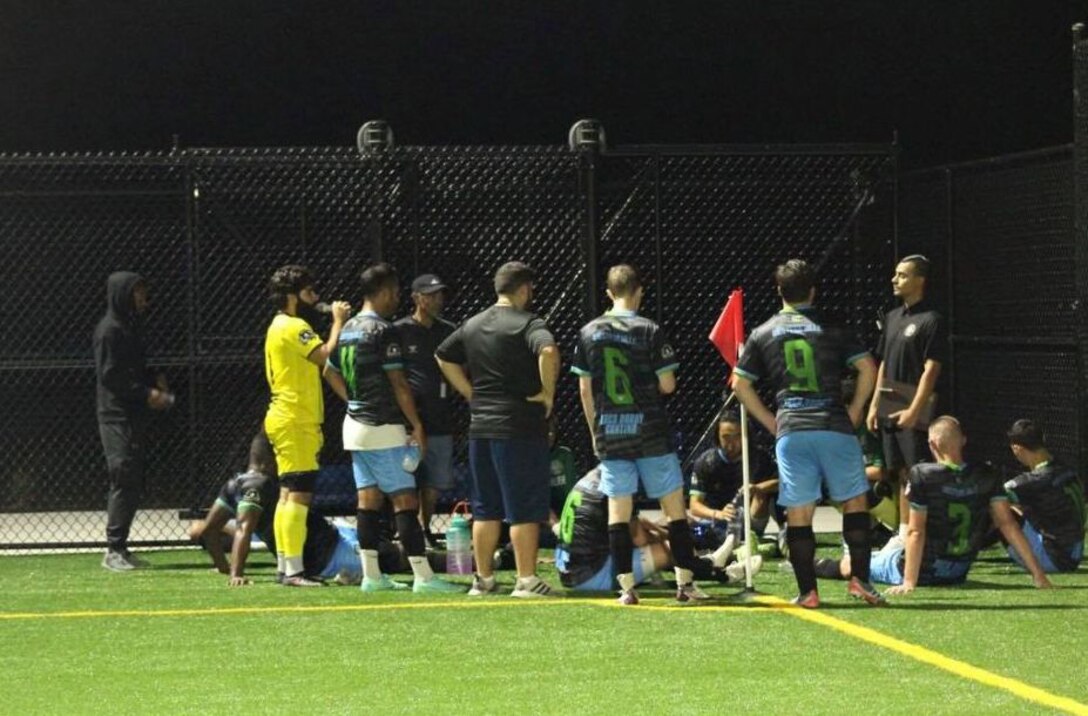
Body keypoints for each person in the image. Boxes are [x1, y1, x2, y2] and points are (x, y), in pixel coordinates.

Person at [732, 259, 884, 608]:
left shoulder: (764, 331)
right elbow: (866, 366)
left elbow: (740, 383)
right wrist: (857, 408)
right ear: (813, 291)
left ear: (779, 292)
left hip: (793, 430)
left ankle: (808, 592)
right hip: (833, 424)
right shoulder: (832, 327)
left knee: (800, 512)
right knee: (855, 502)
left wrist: (771, 421)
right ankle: (860, 581)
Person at [571, 264, 711, 605]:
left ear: (608, 293)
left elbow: (585, 390)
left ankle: (626, 590)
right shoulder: (649, 330)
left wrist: (595, 431)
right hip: (649, 431)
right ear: (639, 291)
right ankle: (685, 586)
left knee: (618, 511)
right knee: (674, 508)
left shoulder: (589, 332)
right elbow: (668, 384)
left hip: (612, 432)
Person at [325, 263, 461, 594]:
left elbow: (328, 370)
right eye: (396, 293)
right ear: (384, 292)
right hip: (384, 426)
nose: (397, 299)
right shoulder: (383, 330)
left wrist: (353, 400)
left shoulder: (348, 328)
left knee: (367, 501)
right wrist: (415, 424)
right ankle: (424, 578)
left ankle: (372, 576)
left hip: (354, 427)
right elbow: (399, 383)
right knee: (404, 501)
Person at [436, 261, 560, 598]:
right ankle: (526, 579)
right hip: (519, 427)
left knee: (485, 507)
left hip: (481, 428)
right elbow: (548, 350)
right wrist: (547, 393)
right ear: (523, 289)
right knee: (524, 507)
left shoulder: (473, 324)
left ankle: (484, 579)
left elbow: (444, 356)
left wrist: (469, 392)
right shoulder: (529, 323)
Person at [825, 416, 1053, 593]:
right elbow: (1008, 525)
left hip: (921, 571)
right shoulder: (986, 474)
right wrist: (1038, 575)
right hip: (957, 572)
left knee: (850, 564)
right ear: (963, 440)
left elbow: (916, 531)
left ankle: (810, 565)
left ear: (932, 444)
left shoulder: (924, 475)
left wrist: (909, 582)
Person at [263, 265, 351, 587]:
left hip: (286, 417)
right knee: (298, 495)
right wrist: (339, 321)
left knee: (288, 494)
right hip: (295, 419)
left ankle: (287, 567)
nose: (315, 299)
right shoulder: (294, 326)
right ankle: (294, 572)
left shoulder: (277, 325)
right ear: (291, 296)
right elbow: (326, 353)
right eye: (309, 292)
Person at [187, 431, 362, 586]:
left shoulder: (233, 484)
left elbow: (210, 531)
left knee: (380, 552)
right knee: (383, 559)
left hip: (335, 539)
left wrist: (223, 568)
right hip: (333, 554)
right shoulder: (259, 485)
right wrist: (235, 574)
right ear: (273, 459)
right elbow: (242, 530)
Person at [555, 468, 756, 593]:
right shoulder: (620, 483)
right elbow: (640, 539)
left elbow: (623, 524)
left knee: (662, 538)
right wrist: (668, 537)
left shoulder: (595, 477)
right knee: (668, 549)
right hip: (589, 577)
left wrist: (658, 529)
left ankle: (709, 561)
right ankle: (719, 572)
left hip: (568, 569)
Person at [94, 271, 174, 572]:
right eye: (137, 292)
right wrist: (146, 393)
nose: (143, 298)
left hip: (133, 413)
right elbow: (110, 375)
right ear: (123, 294)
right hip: (115, 414)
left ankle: (121, 547)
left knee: (133, 477)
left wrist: (157, 380)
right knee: (123, 473)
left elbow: (143, 363)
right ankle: (113, 549)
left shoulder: (132, 328)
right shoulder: (109, 330)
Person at [866, 255, 948, 546]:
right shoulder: (892, 317)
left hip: (915, 401)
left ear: (919, 280)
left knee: (918, 472)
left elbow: (932, 369)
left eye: (902, 275)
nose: (894, 279)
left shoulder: (932, 320)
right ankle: (903, 533)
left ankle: (927, 534)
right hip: (891, 399)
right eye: (895, 273)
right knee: (898, 471)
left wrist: (916, 409)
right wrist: (875, 404)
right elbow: (885, 364)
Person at [394, 273, 458, 548]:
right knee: (404, 478)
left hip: (439, 417)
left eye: (439, 294)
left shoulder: (448, 331)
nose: (437, 299)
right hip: (407, 421)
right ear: (417, 298)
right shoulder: (399, 330)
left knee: (432, 483)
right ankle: (403, 533)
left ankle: (423, 532)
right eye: (431, 294)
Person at [687, 411, 779, 551]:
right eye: (726, 437)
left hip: (750, 519)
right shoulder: (706, 462)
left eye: (737, 436)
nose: (732, 443)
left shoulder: (759, 457)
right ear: (718, 436)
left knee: (764, 493)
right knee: (678, 519)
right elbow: (694, 506)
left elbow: (782, 482)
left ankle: (783, 533)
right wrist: (719, 514)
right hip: (716, 520)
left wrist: (757, 488)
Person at [1004, 419, 1085, 573]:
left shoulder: (1034, 480)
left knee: (998, 509)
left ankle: (961, 555)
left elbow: (991, 495)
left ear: (1017, 448)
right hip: (1073, 553)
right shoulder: (1066, 469)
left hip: (1055, 559)